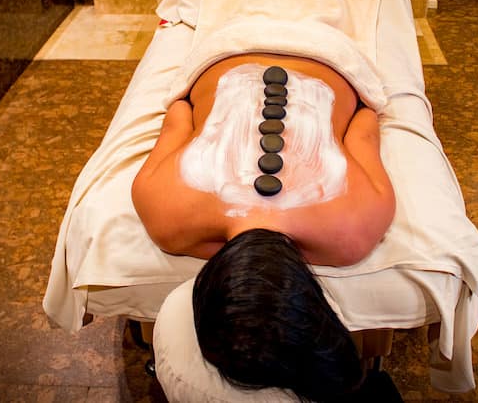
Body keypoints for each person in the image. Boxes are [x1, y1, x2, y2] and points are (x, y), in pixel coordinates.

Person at [131, 52, 396, 400]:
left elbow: (364, 126)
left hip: (322, 56)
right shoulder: (165, 213)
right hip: (233, 51)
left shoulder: (354, 230)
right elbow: (179, 115)